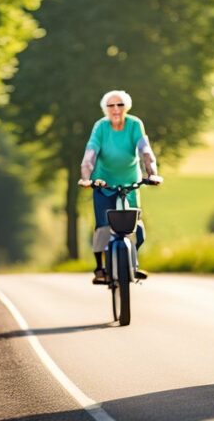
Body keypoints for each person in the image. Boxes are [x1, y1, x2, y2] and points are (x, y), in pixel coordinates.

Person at [78, 90, 162, 284]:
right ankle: (100, 268)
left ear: (126, 107)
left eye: (120, 105)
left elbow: (145, 151)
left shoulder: (134, 124)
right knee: (103, 227)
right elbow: (90, 155)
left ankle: (132, 263)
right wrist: (86, 177)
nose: (115, 109)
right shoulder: (100, 127)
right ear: (105, 109)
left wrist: (152, 173)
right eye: (111, 105)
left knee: (135, 227)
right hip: (103, 183)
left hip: (129, 184)